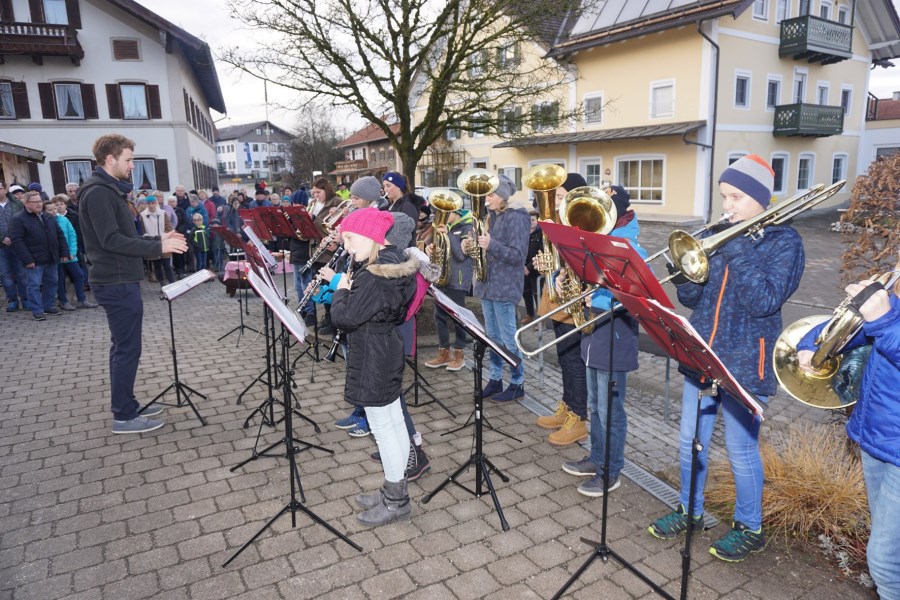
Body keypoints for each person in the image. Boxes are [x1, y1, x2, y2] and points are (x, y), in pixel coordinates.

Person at [647, 155, 805, 562]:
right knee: (689, 442)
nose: (727, 205)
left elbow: (764, 301)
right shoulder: (718, 235)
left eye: (736, 196)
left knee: (740, 450)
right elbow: (693, 300)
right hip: (702, 355)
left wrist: (735, 244)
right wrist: (685, 274)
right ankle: (691, 511)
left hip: (746, 365)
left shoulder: (785, 242)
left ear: (759, 198)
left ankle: (749, 526)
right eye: (724, 196)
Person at [796, 260, 900, 599]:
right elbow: (852, 328)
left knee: (884, 560)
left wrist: (884, 319)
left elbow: (886, 329)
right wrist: (813, 343)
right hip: (878, 436)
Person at [78, 134, 188, 434]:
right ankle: (124, 415)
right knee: (126, 350)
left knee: (125, 347)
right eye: (128, 159)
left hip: (120, 278)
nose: (132, 165)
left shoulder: (109, 190)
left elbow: (124, 237)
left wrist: (159, 238)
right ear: (110, 159)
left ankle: (127, 403)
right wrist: (158, 249)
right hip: (114, 281)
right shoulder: (99, 192)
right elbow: (110, 241)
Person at [330, 207, 417, 526]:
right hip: (386, 347)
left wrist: (340, 289)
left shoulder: (373, 275)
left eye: (351, 238)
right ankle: (393, 490)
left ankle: (396, 502)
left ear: (371, 235)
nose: (347, 246)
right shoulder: (392, 263)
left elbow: (345, 317)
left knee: (384, 427)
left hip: (373, 353)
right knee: (393, 420)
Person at [561, 185, 646, 495]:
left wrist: (590, 297)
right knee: (595, 405)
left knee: (612, 409)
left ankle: (611, 469)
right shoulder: (597, 241)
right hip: (593, 335)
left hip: (615, 335)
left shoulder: (631, 246)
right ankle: (597, 458)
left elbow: (632, 294)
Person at [532, 173, 591, 446]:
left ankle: (578, 418)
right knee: (565, 358)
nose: (555, 201)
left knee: (574, 362)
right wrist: (545, 266)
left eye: (559, 195)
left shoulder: (583, 221)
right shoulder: (556, 223)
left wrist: (559, 269)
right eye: (554, 196)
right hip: (557, 298)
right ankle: (567, 408)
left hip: (574, 300)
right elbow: (557, 261)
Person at [463, 173, 530, 402]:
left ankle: (517, 382)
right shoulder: (490, 215)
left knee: (508, 337)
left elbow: (518, 256)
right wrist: (470, 244)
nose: (486, 199)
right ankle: (495, 379)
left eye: (490, 194)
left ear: (502, 196)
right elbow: (482, 246)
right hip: (487, 285)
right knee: (492, 337)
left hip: (504, 286)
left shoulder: (517, 217)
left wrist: (491, 244)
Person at [424, 207, 474, 371]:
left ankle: (459, 354)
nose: (443, 217)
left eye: (447, 214)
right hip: (442, 279)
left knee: (458, 318)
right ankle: (444, 352)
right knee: (439, 317)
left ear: (457, 214)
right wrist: (430, 249)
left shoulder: (468, 228)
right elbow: (437, 250)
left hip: (458, 281)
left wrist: (448, 236)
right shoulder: (443, 228)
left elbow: (461, 254)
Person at [9, 191, 69, 320]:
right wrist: (27, 259)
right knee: (34, 285)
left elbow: (59, 235)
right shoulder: (18, 219)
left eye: (40, 201)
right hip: (34, 260)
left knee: (52, 282)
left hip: (51, 257)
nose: (39, 204)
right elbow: (17, 241)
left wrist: (64, 252)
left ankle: (48, 306)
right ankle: (37, 310)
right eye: (35, 202)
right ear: (26, 203)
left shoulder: (48, 216)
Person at [47, 197, 97, 310]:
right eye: (51, 209)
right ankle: (63, 301)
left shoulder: (64, 220)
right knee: (60, 279)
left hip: (70, 255)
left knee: (79, 275)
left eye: (55, 208)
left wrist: (72, 252)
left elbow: (72, 235)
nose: (54, 210)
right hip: (57, 257)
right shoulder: (46, 222)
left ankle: (82, 299)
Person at [0, 181, 27, 312]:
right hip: (1, 247)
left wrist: (15, 237)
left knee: (22, 273)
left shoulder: (17, 204)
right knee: (5, 275)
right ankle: (12, 300)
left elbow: (23, 221)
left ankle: (25, 299)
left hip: (18, 244)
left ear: (5, 189)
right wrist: (2, 238)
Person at [140, 196, 176, 286]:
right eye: (149, 203)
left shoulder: (163, 213)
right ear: (146, 204)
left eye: (153, 203)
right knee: (157, 266)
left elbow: (168, 227)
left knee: (167, 265)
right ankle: (162, 284)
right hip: (152, 243)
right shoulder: (143, 215)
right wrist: (148, 239)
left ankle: (172, 284)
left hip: (164, 242)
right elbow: (143, 230)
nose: (151, 205)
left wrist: (165, 236)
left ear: (156, 203)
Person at [382, 172, 418, 247]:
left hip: (403, 250)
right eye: (384, 186)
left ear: (398, 186)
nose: (385, 189)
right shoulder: (389, 205)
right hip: (391, 248)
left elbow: (405, 231)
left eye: (388, 186)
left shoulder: (408, 206)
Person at [522, 210, 541, 325]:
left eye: (533, 220)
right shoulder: (523, 233)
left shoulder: (541, 233)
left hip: (535, 269)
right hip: (523, 269)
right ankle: (530, 314)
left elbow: (540, 252)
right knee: (525, 292)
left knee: (536, 293)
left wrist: (528, 268)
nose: (530, 222)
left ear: (537, 220)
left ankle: (541, 319)